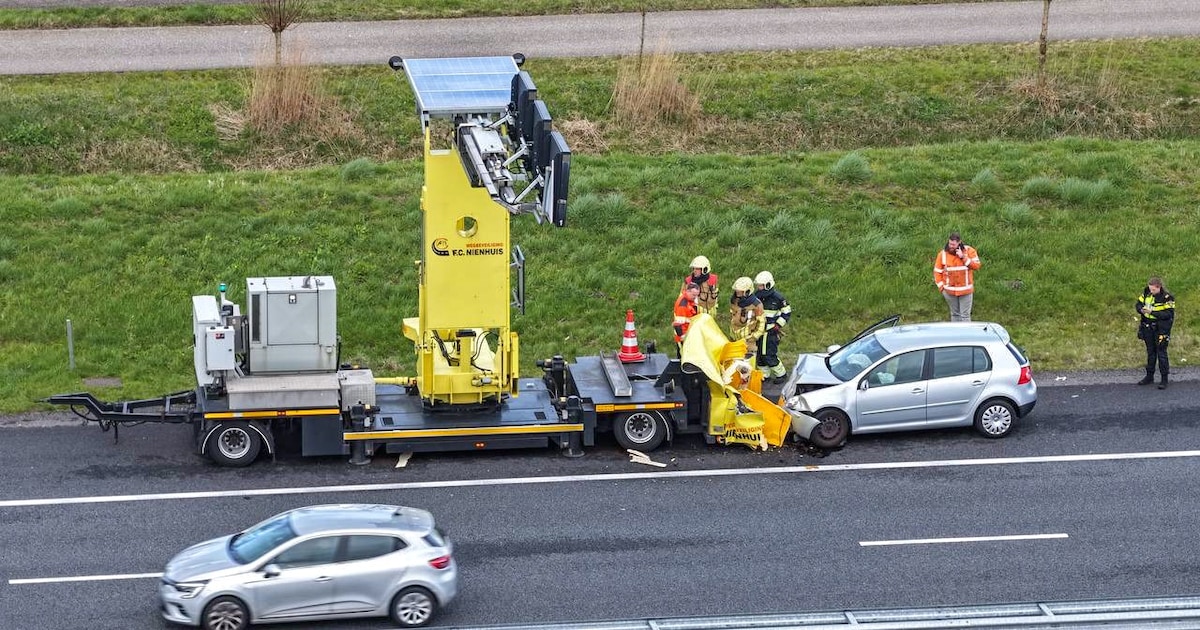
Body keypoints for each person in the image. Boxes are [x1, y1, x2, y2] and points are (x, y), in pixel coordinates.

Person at [754, 271, 792, 384]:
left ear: (768, 285)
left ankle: (781, 374)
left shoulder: (778, 298)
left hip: (771, 331)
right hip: (759, 331)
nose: (759, 288)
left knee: (769, 354)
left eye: (761, 286)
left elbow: (787, 312)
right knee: (760, 355)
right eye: (758, 286)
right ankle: (764, 375)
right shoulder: (756, 297)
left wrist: (778, 325)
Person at [1136, 276, 1175, 389]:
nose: (1151, 292)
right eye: (1150, 289)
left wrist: (1152, 312)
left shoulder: (1167, 298)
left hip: (1161, 329)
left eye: (1153, 290)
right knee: (1150, 352)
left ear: (1159, 287)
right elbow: (1138, 304)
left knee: (1161, 353)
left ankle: (1164, 379)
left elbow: (1168, 314)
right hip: (1148, 328)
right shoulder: (1146, 293)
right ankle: (1149, 376)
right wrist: (1141, 310)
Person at [934, 231, 981, 322]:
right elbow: (937, 272)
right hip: (949, 291)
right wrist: (941, 288)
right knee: (955, 314)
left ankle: (966, 335)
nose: (951, 246)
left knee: (965, 316)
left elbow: (976, 266)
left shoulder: (969, 251)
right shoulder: (942, 254)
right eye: (950, 244)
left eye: (954, 245)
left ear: (959, 243)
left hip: (965, 291)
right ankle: (955, 335)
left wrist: (963, 257)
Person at [729, 276, 765, 360]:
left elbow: (761, 323)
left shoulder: (756, 305)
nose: (737, 292)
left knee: (747, 367)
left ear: (747, 291)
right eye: (737, 290)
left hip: (748, 342)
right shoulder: (735, 301)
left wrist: (753, 337)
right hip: (734, 339)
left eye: (740, 291)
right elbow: (732, 317)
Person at [672, 282, 701, 354]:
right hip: (683, 337)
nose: (695, 297)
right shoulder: (683, 305)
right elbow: (678, 324)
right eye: (694, 295)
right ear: (688, 291)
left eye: (697, 295)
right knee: (683, 357)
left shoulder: (690, 300)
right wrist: (683, 339)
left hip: (689, 334)